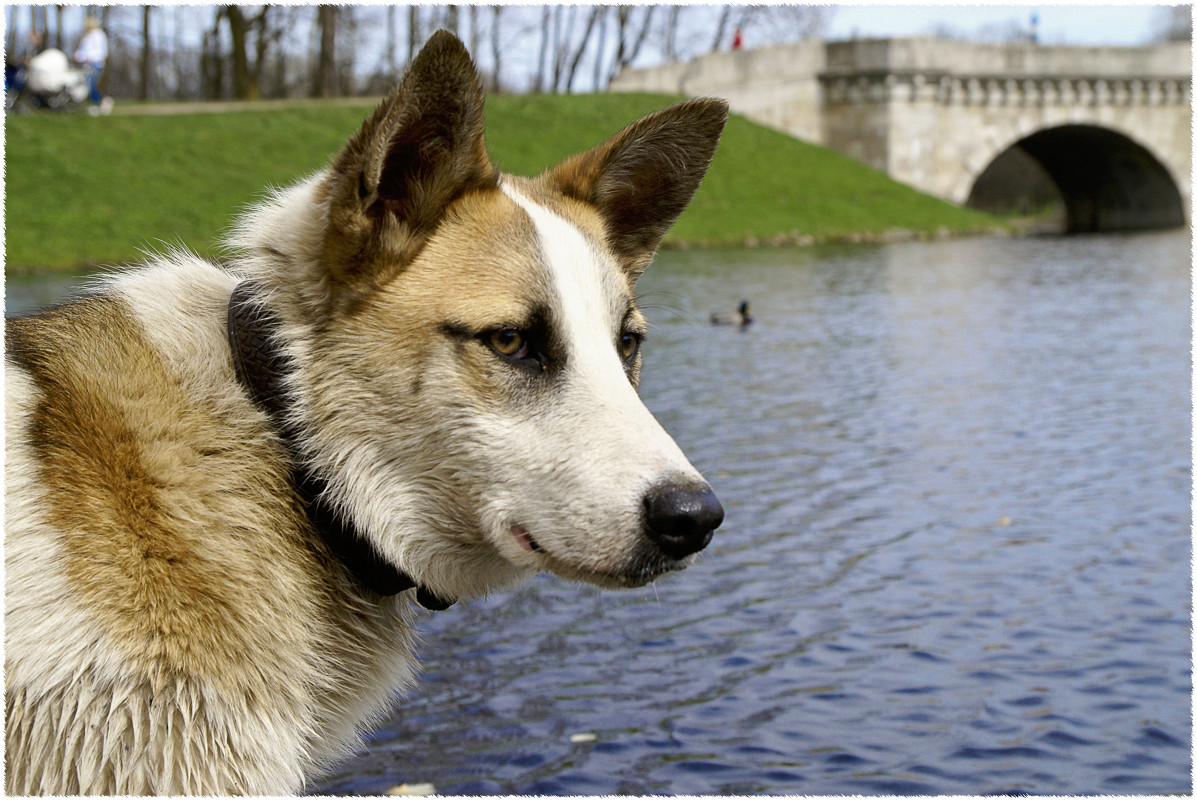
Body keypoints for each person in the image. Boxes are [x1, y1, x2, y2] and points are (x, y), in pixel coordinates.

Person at [73, 16, 111, 114]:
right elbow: (82, 51)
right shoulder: (87, 36)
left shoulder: (98, 36)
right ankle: (95, 104)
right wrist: (77, 56)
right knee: (87, 86)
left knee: (90, 86)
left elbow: (100, 52)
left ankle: (102, 101)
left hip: (95, 64)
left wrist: (84, 57)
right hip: (86, 65)